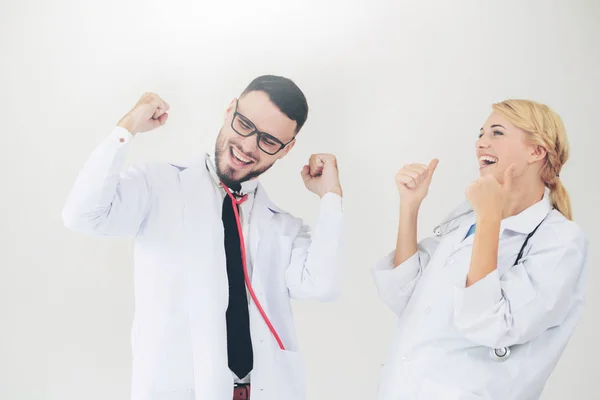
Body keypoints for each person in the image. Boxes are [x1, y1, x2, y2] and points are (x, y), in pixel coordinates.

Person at [62, 75, 345, 400]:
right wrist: (128, 127)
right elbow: (82, 215)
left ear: (286, 150)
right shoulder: (159, 186)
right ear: (229, 111)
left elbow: (322, 285)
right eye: (244, 124)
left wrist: (331, 198)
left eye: (268, 141)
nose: (249, 146)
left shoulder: (282, 226)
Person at [372, 99, 589, 400]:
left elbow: (491, 325)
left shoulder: (561, 240)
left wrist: (490, 217)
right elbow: (404, 296)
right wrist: (410, 207)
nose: (480, 143)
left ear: (536, 151)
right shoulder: (467, 222)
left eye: (497, 133)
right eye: (481, 133)